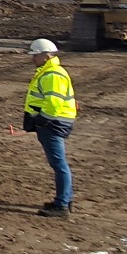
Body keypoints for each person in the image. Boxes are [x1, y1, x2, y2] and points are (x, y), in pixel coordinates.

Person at [23, 37, 77, 216]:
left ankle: (62, 204)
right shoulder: (51, 71)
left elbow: (53, 103)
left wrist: (41, 120)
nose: (33, 59)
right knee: (59, 163)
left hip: (53, 123)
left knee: (58, 163)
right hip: (56, 121)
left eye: (35, 55)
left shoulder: (52, 74)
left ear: (45, 56)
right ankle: (64, 200)